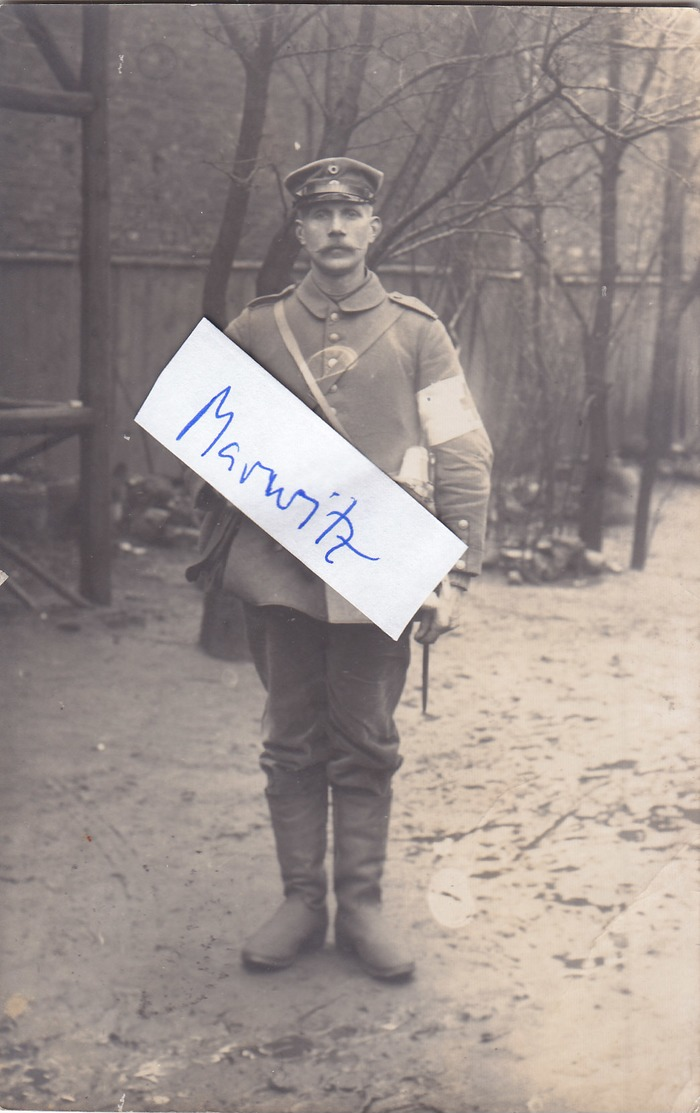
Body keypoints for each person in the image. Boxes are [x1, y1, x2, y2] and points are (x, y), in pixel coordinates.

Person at [192, 157, 492, 981]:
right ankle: (301, 900)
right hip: (280, 579)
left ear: (373, 227)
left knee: (365, 741)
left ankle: (360, 906)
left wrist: (453, 572)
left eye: (349, 212)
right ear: (298, 230)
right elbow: (218, 454)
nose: (333, 227)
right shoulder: (257, 327)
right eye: (318, 213)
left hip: (380, 575)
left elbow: (462, 451)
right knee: (289, 738)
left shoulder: (416, 330)